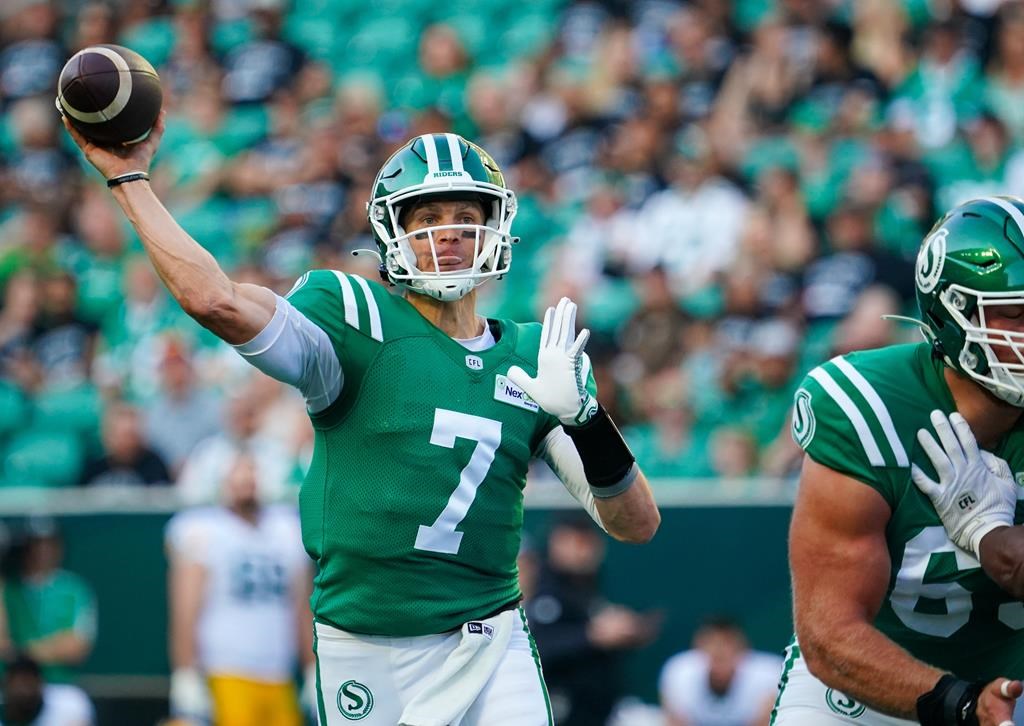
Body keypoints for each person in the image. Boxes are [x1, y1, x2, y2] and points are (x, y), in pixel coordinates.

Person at [62, 115, 660, 726]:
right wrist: (128, 178)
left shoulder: (539, 357)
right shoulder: (352, 317)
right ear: (391, 232)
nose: (447, 232)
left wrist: (585, 419)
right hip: (365, 644)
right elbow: (216, 300)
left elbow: (635, 523)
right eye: (426, 218)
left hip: (490, 637)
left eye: (464, 214)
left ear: (494, 227)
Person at [774, 197, 1024, 726]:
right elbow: (830, 635)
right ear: (952, 314)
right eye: (1019, 314)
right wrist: (960, 704)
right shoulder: (867, 406)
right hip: (864, 689)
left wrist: (992, 538)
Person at [165, 453, 313, 726]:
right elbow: (185, 609)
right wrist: (184, 672)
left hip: (279, 671)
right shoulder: (202, 528)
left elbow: (301, 606)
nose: (246, 479)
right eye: (237, 471)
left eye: (251, 470)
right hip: (226, 669)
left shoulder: (286, 529)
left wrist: (311, 666)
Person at [526, 514, 660, 726]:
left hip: (603, 706)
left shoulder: (588, 582)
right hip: (557, 704)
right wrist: (592, 636)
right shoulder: (544, 587)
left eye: (589, 542)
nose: (584, 551)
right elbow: (538, 647)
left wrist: (626, 632)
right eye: (577, 542)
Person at [2, 518, 97, 685]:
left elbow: (77, 648)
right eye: (35, 544)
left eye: (47, 544)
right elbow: (3, 645)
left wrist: (24, 653)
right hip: (13, 687)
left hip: (59, 686)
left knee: (74, 705)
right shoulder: (8, 589)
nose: (41, 552)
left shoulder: (75, 589)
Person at [658, 615, 782, 726]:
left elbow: (768, 722)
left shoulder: (768, 673)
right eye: (711, 644)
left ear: (743, 647)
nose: (719, 650)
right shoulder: (679, 671)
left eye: (727, 644)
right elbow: (675, 721)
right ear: (698, 647)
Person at [0, 654, 94, 726]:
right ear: (6, 686)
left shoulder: (70, 701)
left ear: (41, 683)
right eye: (18, 685)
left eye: (28, 683)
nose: (24, 691)